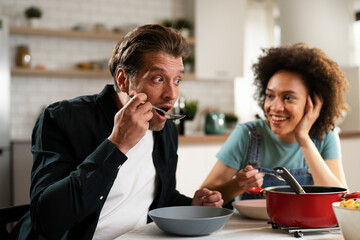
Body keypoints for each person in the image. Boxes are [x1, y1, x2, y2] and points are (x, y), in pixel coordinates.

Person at [11, 24, 223, 240]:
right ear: (123, 80)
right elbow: (47, 220)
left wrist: (191, 205)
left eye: (177, 80)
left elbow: (159, 197)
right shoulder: (61, 118)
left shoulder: (165, 129)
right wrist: (117, 144)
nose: (171, 94)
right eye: (158, 79)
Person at [201, 43, 349, 205]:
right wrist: (237, 185)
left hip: (303, 228)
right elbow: (205, 196)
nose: (275, 107)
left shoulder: (325, 135)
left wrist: (303, 138)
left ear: (312, 102)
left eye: (288, 98)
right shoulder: (247, 134)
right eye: (270, 96)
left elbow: (340, 200)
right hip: (249, 229)